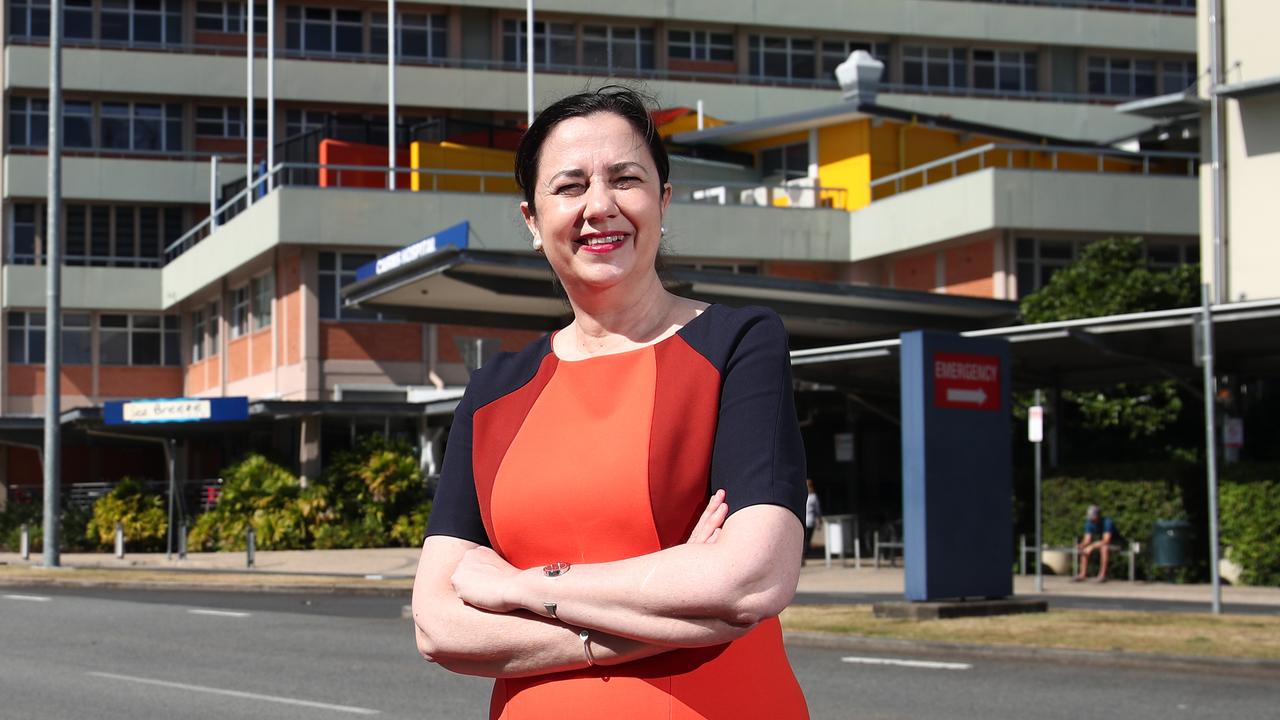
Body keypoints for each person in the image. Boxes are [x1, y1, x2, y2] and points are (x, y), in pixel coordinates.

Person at [410, 86, 810, 719]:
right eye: (570, 187)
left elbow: (751, 579)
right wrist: (669, 606)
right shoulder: (494, 392)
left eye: (626, 179)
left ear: (662, 201)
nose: (600, 206)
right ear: (533, 224)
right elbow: (440, 626)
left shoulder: (738, 344)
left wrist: (523, 587)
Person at [1075, 504, 1118, 582]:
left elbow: (1106, 540)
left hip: (1115, 544)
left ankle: (1102, 575)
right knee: (1084, 549)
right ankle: (1082, 574)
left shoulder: (1107, 522)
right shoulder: (1089, 523)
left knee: (1104, 548)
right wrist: (1082, 545)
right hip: (1099, 544)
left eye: (1093, 517)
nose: (1091, 519)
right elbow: (1087, 540)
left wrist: (1092, 546)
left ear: (1098, 515)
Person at [803, 479, 821, 565]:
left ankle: (802, 557)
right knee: (806, 541)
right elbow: (817, 510)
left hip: (806, 521)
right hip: (807, 521)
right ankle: (803, 557)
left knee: (805, 541)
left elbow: (817, 510)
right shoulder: (812, 497)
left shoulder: (808, 496)